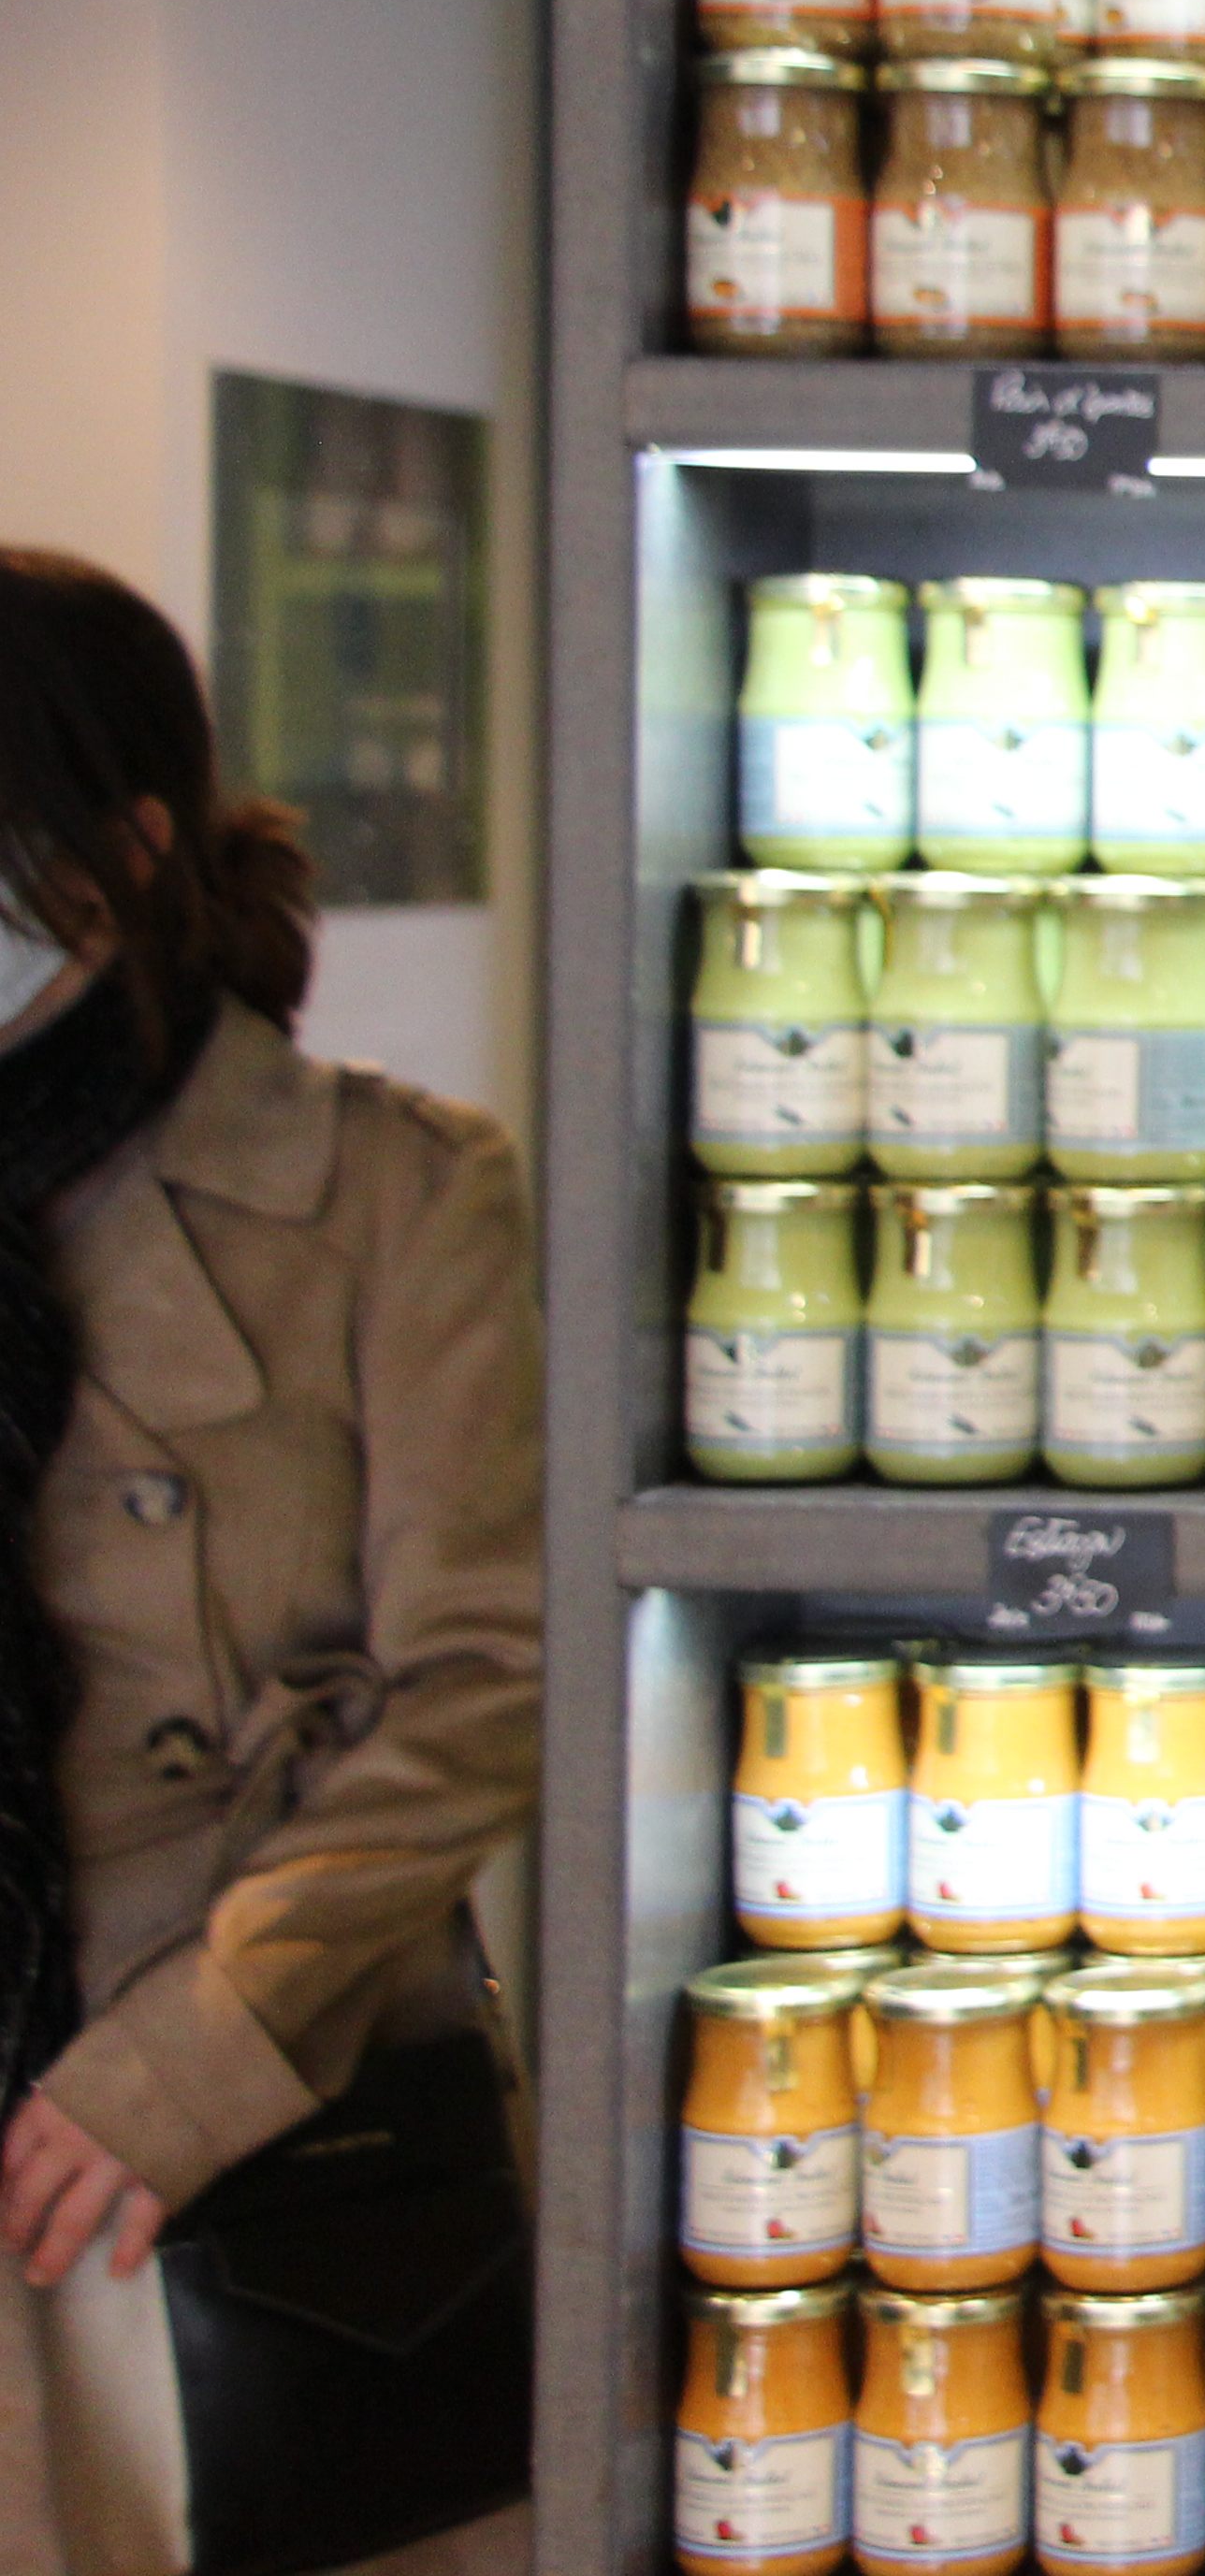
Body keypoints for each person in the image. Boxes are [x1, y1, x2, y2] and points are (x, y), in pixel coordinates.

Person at [0, 550, 542, 2576]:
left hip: (217, 2129)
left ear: (120, 852)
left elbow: (487, 1680)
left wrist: (195, 2057)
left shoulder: (391, 1191)